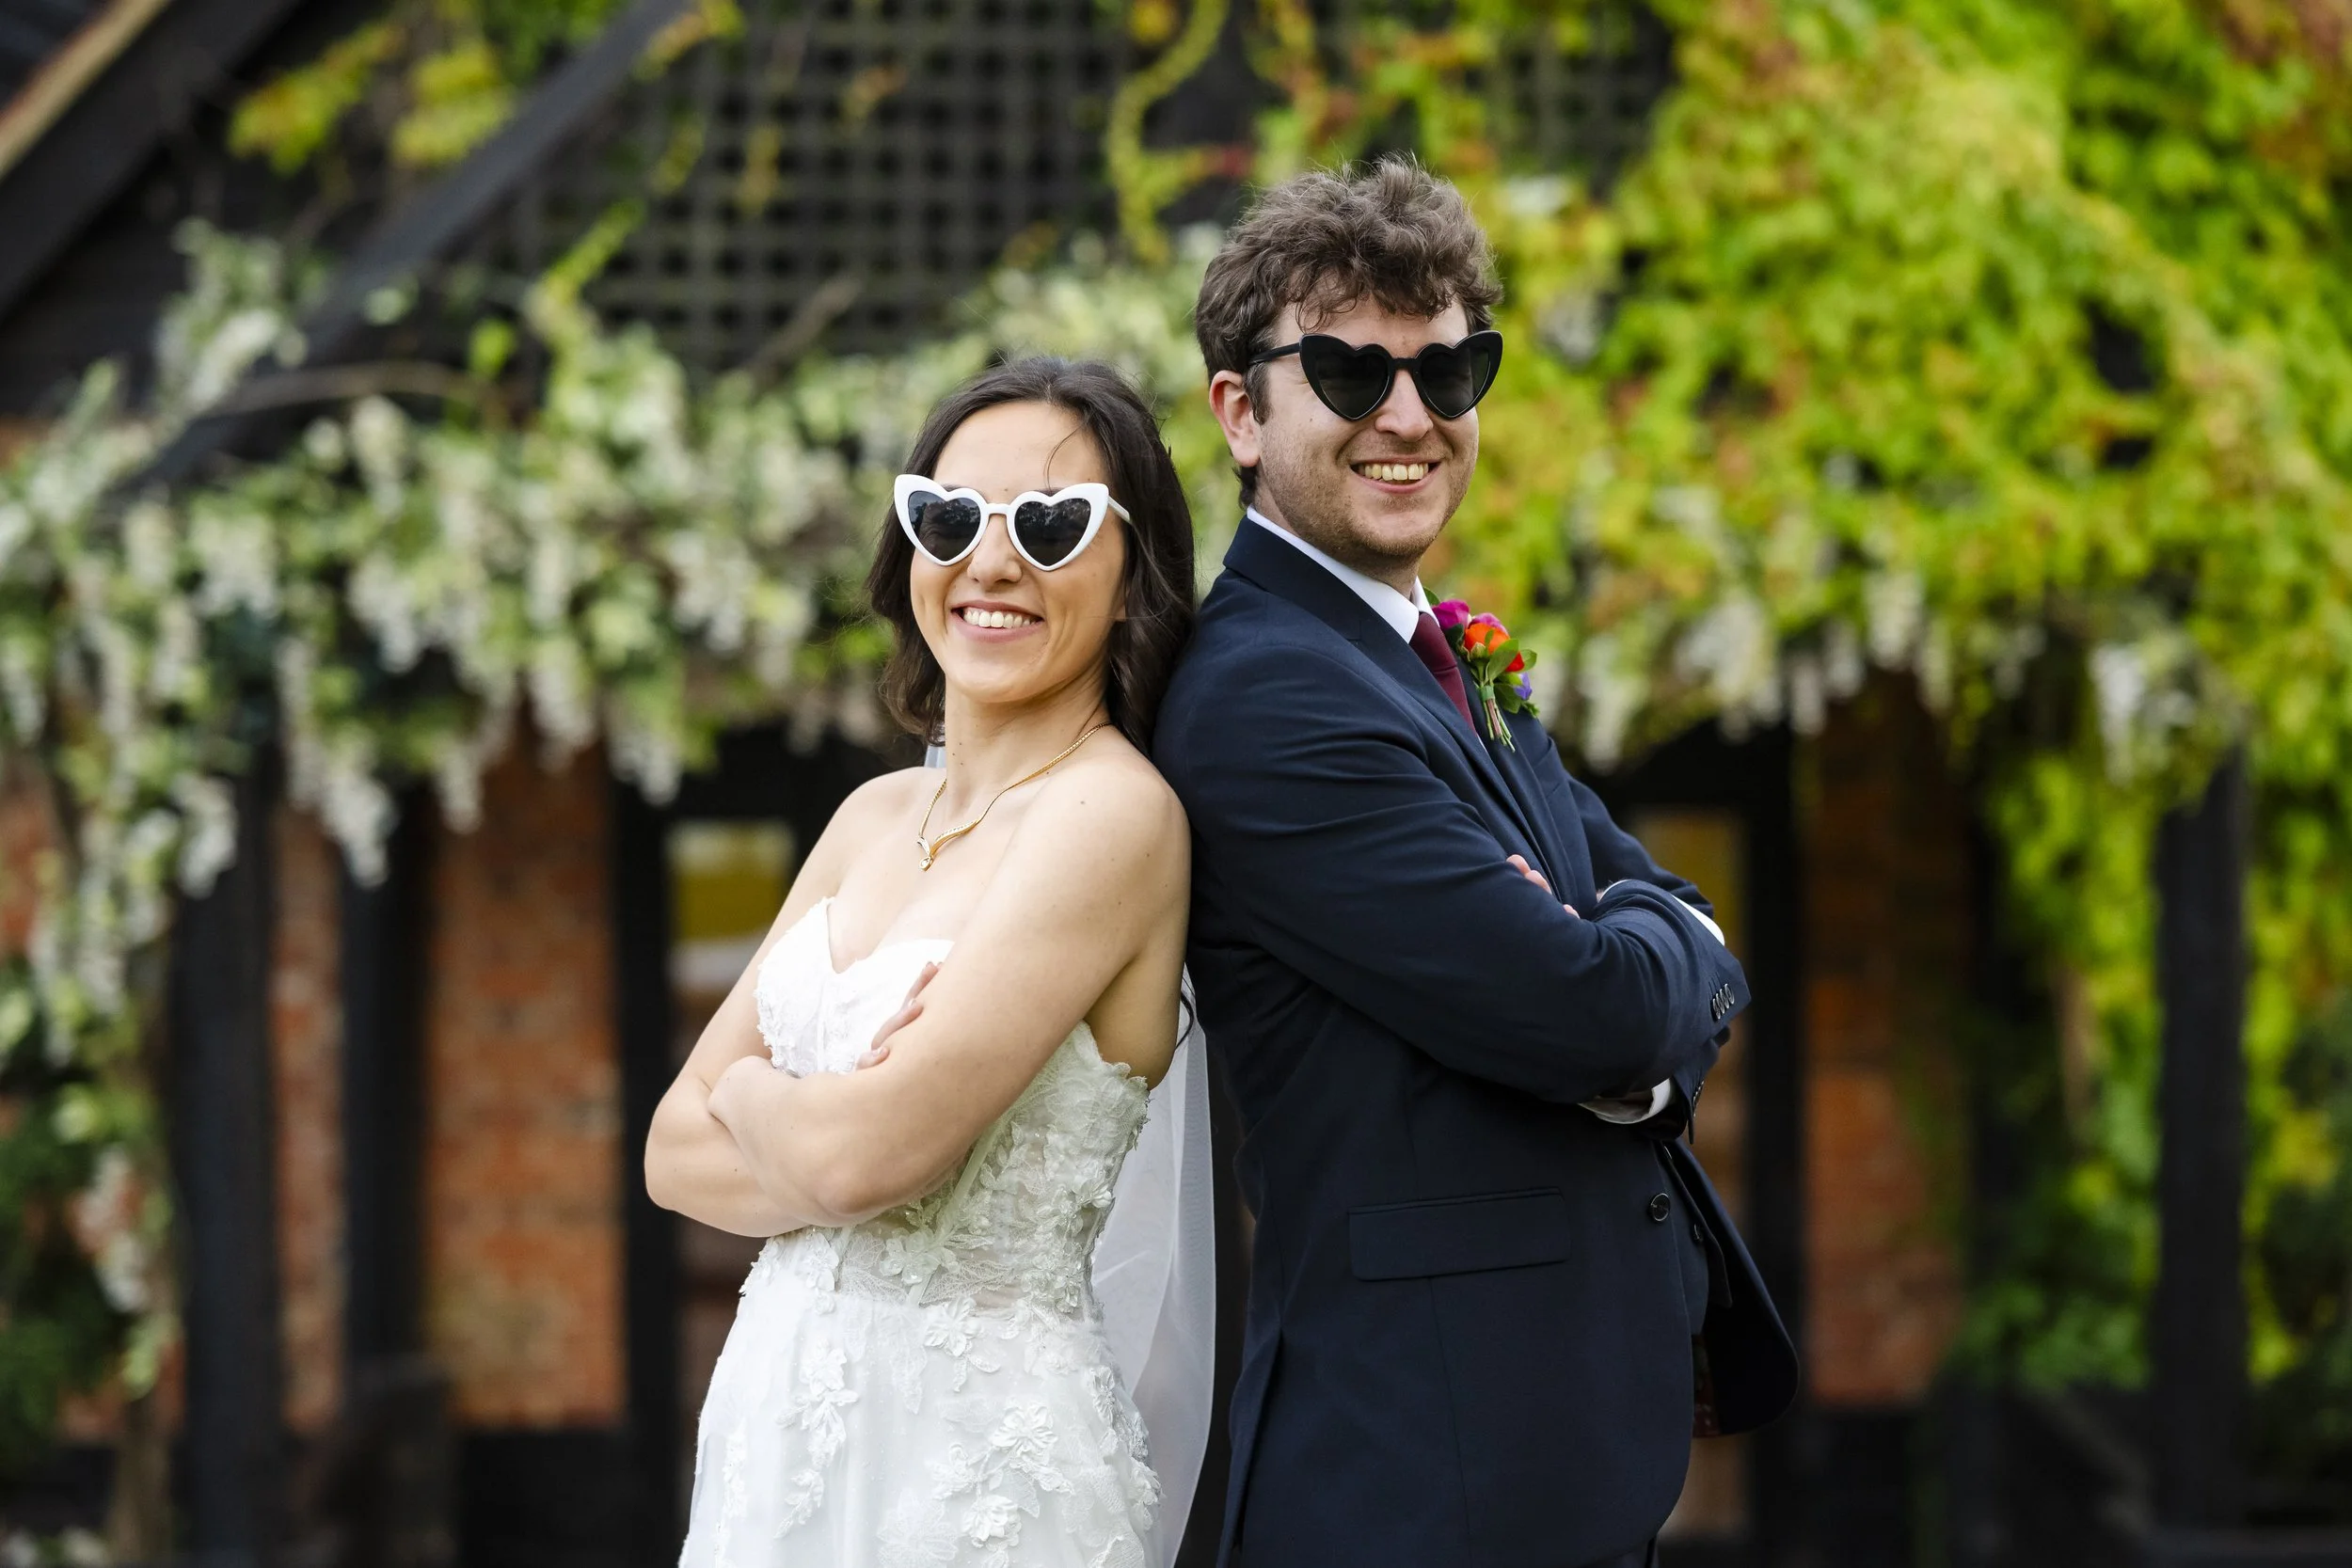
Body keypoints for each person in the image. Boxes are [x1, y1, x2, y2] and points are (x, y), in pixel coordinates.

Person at [1154, 158, 1801, 1568]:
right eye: (1349, 368)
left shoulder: (1433, 655)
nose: (1409, 416)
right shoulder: (1266, 699)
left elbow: (1678, 918)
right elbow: (1611, 999)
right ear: (1239, 413)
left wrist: (1626, 981)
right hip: (1413, 1486)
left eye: (1450, 372)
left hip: (1540, 1466)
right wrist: (1625, 1001)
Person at [645, 356, 1209, 1568]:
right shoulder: (867, 821)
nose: (992, 564)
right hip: (780, 1453)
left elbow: (866, 1158)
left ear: (1132, 581)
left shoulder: (1113, 820)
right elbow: (666, 1156)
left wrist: (745, 1094)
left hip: (971, 1473)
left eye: (1053, 527)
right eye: (948, 519)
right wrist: (817, 1133)